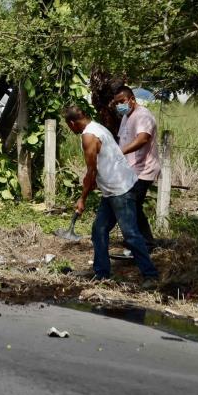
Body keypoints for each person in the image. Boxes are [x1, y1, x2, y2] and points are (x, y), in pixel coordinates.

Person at [64, 105, 158, 287]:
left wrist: (82, 198)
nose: (71, 129)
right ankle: (101, 274)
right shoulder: (97, 127)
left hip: (120, 189)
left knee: (131, 234)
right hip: (113, 189)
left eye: (69, 126)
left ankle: (151, 275)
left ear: (72, 123)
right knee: (99, 230)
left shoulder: (89, 136)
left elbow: (91, 171)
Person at [113, 85, 160, 249]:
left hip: (143, 170)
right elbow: (123, 139)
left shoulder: (143, 116)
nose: (119, 105)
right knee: (132, 205)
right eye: (116, 103)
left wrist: (120, 152)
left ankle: (144, 242)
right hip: (130, 169)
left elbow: (143, 139)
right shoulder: (127, 116)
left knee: (131, 204)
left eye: (122, 101)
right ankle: (139, 241)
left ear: (132, 99)